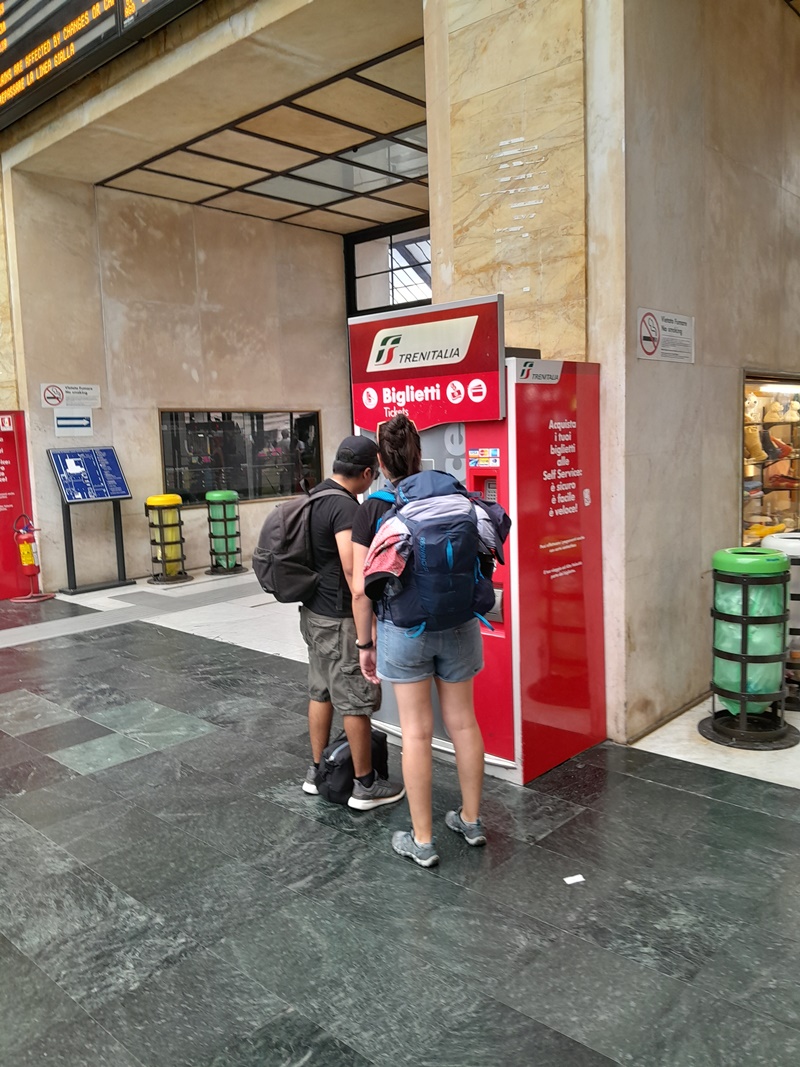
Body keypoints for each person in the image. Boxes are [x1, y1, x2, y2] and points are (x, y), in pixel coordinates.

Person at [352, 415, 492, 868]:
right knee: (464, 723)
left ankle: (423, 840)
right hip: (460, 624)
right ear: (418, 455)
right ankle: (470, 821)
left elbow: (361, 588)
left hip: (404, 630)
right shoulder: (452, 496)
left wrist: (365, 644)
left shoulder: (374, 510)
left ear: (380, 461)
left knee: (415, 732)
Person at [300, 434, 405, 811]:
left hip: (313, 613)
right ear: (365, 473)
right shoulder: (345, 507)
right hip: (340, 618)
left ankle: (316, 772)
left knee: (321, 691)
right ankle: (365, 785)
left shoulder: (315, 496)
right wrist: (367, 629)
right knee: (355, 701)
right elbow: (352, 571)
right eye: (372, 474)